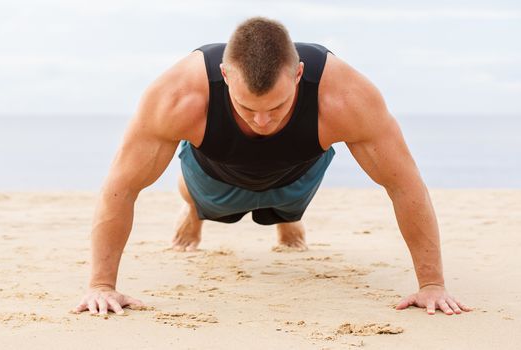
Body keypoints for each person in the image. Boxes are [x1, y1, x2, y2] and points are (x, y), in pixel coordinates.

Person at [73, 17, 471, 317]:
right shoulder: (178, 95)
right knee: (208, 202)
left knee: (288, 206)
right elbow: (121, 187)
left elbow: (404, 184)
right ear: (224, 76)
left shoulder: (346, 96)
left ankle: (285, 217)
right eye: (247, 108)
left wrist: (432, 284)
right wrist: (101, 285)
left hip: (298, 171)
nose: (261, 122)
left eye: (277, 107)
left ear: (298, 74)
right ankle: (194, 210)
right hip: (215, 173)